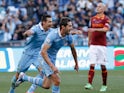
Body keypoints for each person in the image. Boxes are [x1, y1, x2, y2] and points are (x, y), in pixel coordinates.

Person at [16, 17, 79, 93]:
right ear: (63, 27)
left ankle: (24, 77)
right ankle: (28, 86)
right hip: (43, 57)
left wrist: (76, 63)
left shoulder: (68, 36)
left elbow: (73, 49)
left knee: (46, 85)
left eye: (71, 26)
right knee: (57, 80)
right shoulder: (53, 35)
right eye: (69, 26)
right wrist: (52, 66)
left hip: (52, 58)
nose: (71, 28)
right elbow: (43, 52)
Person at [8, 14, 53, 93]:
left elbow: (60, 32)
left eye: (51, 22)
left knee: (43, 72)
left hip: (38, 55)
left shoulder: (50, 30)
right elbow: (31, 31)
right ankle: (11, 90)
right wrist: (27, 33)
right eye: (49, 22)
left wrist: (73, 32)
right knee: (17, 76)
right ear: (43, 22)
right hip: (28, 54)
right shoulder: (36, 28)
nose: (51, 23)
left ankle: (30, 91)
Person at [84, 3, 111, 92]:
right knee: (92, 64)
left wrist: (95, 29)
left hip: (102, 45)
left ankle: (104, 85)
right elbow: (90, 30)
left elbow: (105, 29)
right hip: (93, 45)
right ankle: (89, 83)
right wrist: (89, 41)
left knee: (103, 66)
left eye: (100, 7)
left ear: (103, 9)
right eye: (97, 6)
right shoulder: (92, 19)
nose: (97, 8)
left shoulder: (106, 19)